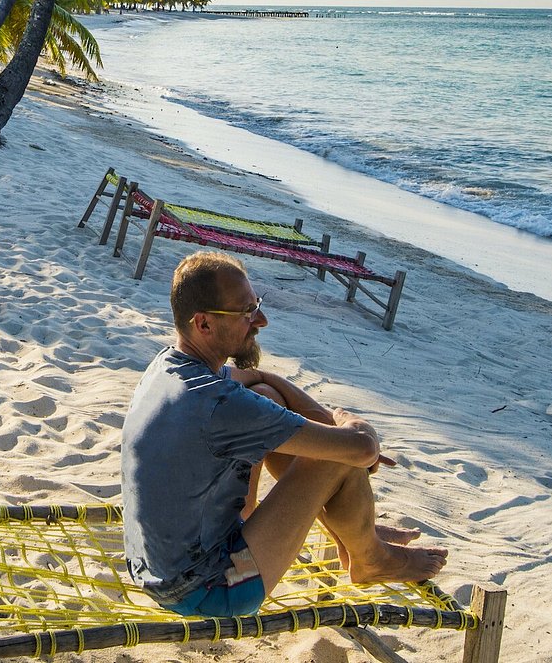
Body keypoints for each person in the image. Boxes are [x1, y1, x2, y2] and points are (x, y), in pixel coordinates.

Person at [120, 251, 447, 618]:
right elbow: (362, 448)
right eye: (246, 312)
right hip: (207, 588)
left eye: (255, 304)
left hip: (158, 565)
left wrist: (329, 426)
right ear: (204, 324)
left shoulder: (171, 366)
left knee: (269, 399)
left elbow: (262, 380)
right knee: (332, 458)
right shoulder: (221, 405)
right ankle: (369, 556)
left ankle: (355, 531)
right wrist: (345, 419)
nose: (261, 320)